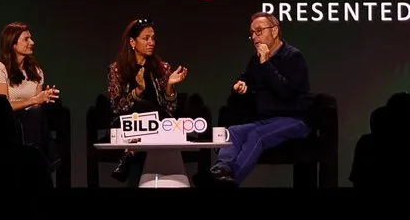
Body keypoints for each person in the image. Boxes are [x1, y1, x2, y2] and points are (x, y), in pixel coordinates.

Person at [207, 12, 312, 187]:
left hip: (295, 119)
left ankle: (229, 182)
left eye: (259, 31)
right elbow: (245, 80)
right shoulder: (256, 59)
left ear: (274, 31)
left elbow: (287, 92)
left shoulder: (293, 57)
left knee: (256, 135)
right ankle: (221, 170)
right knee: (233, 131)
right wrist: (240, 86)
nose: (255, 37)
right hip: (268, 120)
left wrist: (266, 64)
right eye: (252, 33)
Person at [106, 18, 188, 185]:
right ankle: (132, 152)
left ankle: (130, 153)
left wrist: (169, 86)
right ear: (132, 42)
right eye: (146, 38)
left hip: (159, 124)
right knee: (140, 108)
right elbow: (116, 107)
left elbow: (170, 108)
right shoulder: (117, 69)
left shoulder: (162, 68)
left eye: (153, 38)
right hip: (127, 124)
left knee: (144, 113)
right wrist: (138, 91)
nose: (151, 42)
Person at [0, 21, 61, 172]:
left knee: (36, 113)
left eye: (31, 38)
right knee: (35, 115)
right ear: (13, 44)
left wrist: (44, 97)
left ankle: (34, 164)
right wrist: (35, 99)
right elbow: (2, 108)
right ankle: (44, 162)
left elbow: (37, 105)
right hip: (9, 124)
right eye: (26, 39)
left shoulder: (35, 70)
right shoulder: (0, 69)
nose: (32, 42)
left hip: (31, 120)